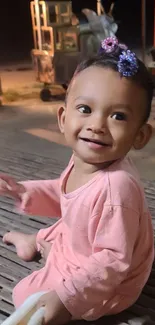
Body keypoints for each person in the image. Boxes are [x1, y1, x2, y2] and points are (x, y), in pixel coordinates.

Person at [0, 37, 154, 325]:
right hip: (84, 243)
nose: (97, 125)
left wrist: (67, 296)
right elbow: (65, 194)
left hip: (111, 284)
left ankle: (41, 248)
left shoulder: (117, 189)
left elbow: (112, 262)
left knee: (25, 296)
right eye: (85, 109)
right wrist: (23, 190)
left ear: (140, 135)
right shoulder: (85, 160)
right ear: (63, 117)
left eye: (118, 116)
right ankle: (35, 241)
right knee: (62, 229)